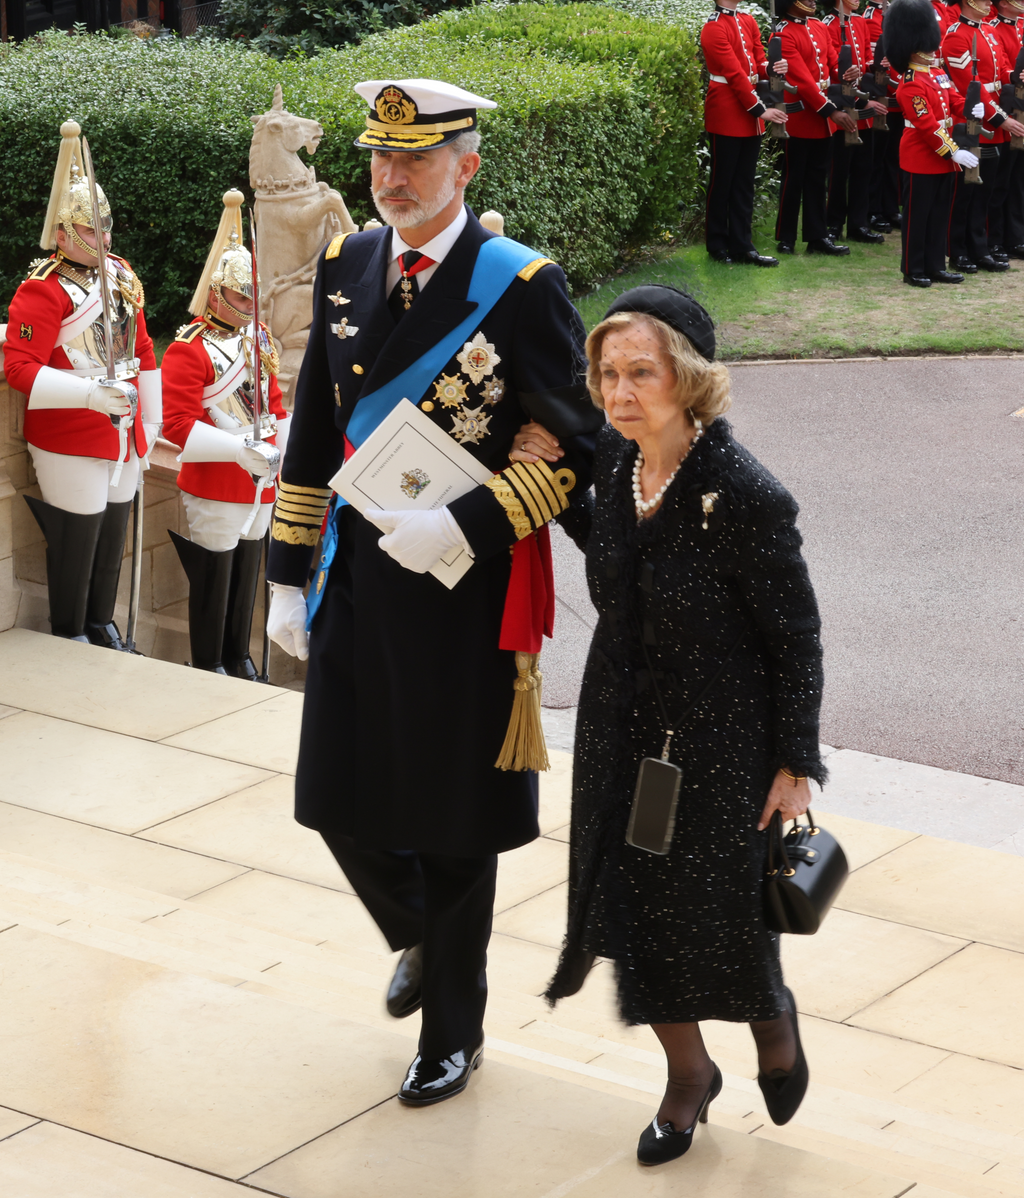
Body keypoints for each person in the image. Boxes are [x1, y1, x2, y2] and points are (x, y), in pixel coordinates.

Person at [264, 78, 599, 1105]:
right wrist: (285, 574)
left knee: (453, 822)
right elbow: (317, 431)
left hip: (463, 592)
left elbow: (576, 448)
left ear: (467, 167)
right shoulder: (347, 260)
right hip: (360, 576)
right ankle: (419, 933)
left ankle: (452, 1031)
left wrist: (459, 523)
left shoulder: (520, 284)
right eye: (379, 156)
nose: (390, 177)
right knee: (332, 797)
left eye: (414, 160)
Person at [514, 284, 826, 1166]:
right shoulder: (615, 468)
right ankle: (688, 1077)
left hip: (723, 742)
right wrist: (540, 465)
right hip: (622, 728)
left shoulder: (746, 493)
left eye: (640, 372)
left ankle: (773, 1019)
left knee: (720, 915)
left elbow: (795, 633)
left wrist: (795, 760)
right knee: (630, 908)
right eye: (607, 373)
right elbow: (614, 548)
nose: (618, 391)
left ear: (686, 378)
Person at [3, 120, 160, 648]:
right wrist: (90, 395)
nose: (105, 237)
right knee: (79, 533)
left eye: (107, 227)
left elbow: (141, 347)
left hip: (126, 425)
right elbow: (20, 368)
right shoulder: (41, 290)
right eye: (94, 229)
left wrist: (153, 417)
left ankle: (100, 622)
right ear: (65, 234)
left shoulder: (120, 272)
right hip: (71, 427)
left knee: (113, 532)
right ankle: (70, 630)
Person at [161, 190, 287, 678]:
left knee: (246, 578)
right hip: (217, 480)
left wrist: (276, 450)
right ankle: (209, 660)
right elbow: (176, 424)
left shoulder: (258, 339)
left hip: (261, 483)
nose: (249, 305)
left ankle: (239, 656)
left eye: (254, 295)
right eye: (240, 297)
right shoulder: (188, 349)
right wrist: (240, 449)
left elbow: (271, 405)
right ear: (216, 294)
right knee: (214, 580)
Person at [890, 0, 981, 285]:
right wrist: (954, 152)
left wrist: (971, 107)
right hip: (921, 155)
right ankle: (913, 269)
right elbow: (927, 125)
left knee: (939, 214)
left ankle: (935, 265)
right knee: (918, 217)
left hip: (942, 157)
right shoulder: (911, 82)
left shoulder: (937, 74)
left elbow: (952, 100)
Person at [701, 0, 788, 266]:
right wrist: (760, 110)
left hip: (750, 114)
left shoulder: (747, 21)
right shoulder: (713, 28)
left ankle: (742, 245)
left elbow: (757, 62)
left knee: (743, 184)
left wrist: (773, 67)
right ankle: (717, 243)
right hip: (728, 111)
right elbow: (734, 74)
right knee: (722, 183)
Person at [942, 0, 1024, 271]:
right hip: (975, 123)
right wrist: (1003, 120)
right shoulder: (955, 35)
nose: (989, 2)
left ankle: (981, 245)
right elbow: (970, 89)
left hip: (995, 122)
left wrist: (1017, 77)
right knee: (966, 191)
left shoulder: (987, 30)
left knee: (988, 190)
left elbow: (1000, 73)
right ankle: (958, 250)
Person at [775, 0, 858, 254]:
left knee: (817, 178)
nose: (812, 1)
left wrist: (847, 72)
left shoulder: (818, 26)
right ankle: (786, 237)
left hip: (821, 116)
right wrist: (832, 111)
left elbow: (830, 63)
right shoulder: (783, 32)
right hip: (801, 114)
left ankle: (817, 237)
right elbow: (802, 80)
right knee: (793, 178)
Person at [822, 0, 889, 243]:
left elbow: (867, 58)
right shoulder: (828, 23)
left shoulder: (859, 21)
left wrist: (877, 64)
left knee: (863, 168)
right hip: (842, 103)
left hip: (862, 103)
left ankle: (858, 224)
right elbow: (828, 67)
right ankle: (834, 222)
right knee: (840, 170)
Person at [986, 0, 1024, 259]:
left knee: (1019, 180)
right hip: (1008, 110)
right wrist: (1015, 75)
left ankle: (1017, 236)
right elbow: (999, 68)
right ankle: (996, 238)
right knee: (1003, 180)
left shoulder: (1021, 26)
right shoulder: (993, 29)